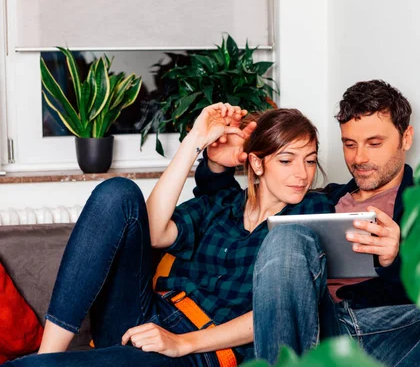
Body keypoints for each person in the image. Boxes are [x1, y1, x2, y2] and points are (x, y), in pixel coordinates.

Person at [5, 104, 334, 367]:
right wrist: (195, 141)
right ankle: (48, 353)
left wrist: (180, 343)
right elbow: (155, 232)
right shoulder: (222, 205)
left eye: (310, 161)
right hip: (149, 318)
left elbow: (286, 309)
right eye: (287, 160)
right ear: (257, 164)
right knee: (118, 192)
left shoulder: (314, 214)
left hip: (199, 350)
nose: (302, 174)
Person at [193, 81, 420, 366]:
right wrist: (218, 165)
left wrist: (394, 258)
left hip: (383, 332)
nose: (359, 158)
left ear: (406, 138)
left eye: (374, 143)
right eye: (349, 144)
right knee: (286, 236)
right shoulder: (323, 199)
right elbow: (233, 208)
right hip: (316, 323)